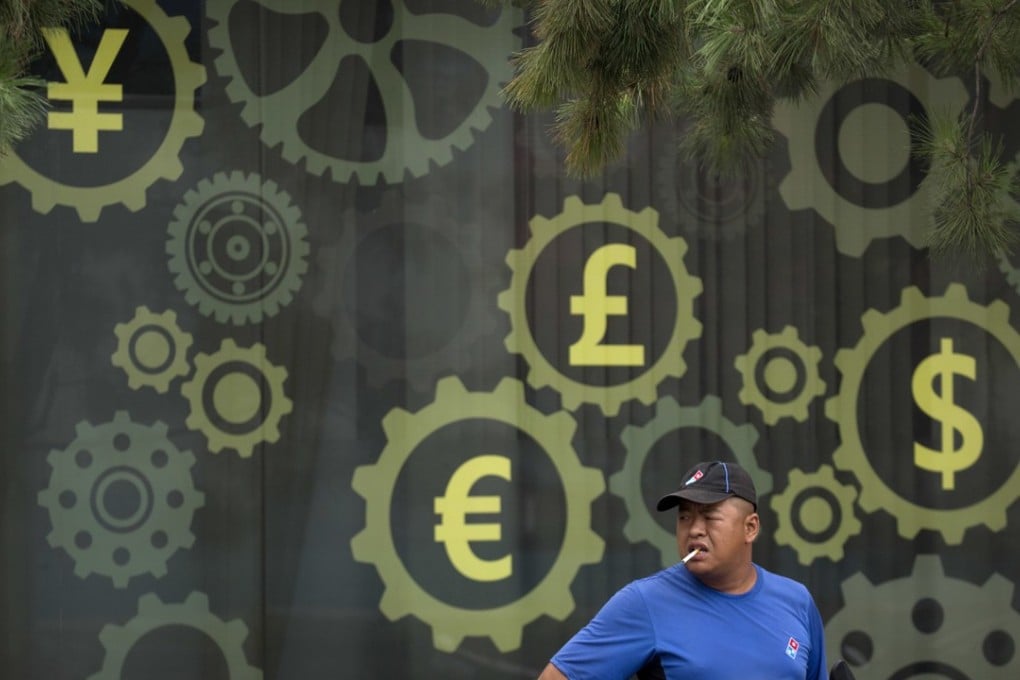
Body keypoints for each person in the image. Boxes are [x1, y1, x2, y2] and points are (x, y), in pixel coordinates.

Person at [538, 460, 828, 680]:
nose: (694, 530)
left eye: (709, 516)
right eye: (685, 517)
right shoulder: (645, 602)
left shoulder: (796, 601)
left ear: (750, 528)